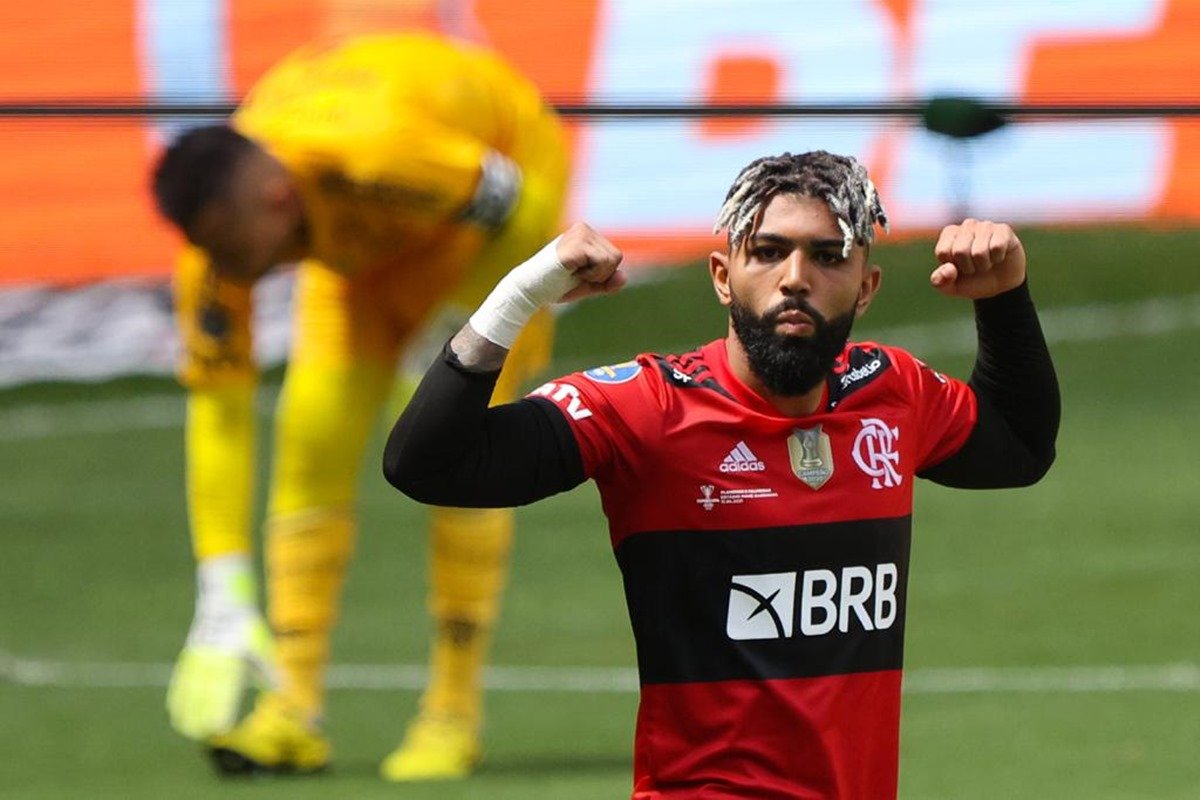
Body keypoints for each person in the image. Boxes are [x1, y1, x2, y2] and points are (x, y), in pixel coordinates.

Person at [382, 151, 1060, 798]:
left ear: (866, 288)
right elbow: (430, 465)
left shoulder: (894, 395)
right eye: (768, 252)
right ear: (721, 275)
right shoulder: (649, 408)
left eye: (827, 257)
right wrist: (519, 294)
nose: (796, 277)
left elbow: (1021, 448)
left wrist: (1004, 297)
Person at [150, 32, 569, 780]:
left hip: (484, 233)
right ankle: (292, 710)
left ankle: (452, 713)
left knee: (449, 448)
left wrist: (456, 336)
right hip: (363, 252)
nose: (222, 271)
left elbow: (527, 211)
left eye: (227, 247)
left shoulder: (381, 153)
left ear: (275, 198)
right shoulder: (222, 246)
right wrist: (221, 581)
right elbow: (218, 409)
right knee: (312, 433)